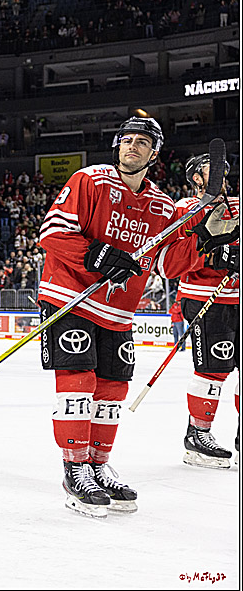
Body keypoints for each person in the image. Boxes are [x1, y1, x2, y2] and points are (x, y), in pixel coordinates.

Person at [35, 115, 214, 518]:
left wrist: (205, 238)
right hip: (71, 298)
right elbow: (52, 231)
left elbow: (169, 264)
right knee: (78, 384)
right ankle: (74, 468)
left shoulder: (163, 205)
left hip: (118, 311)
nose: (131, 146)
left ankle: (98, 464)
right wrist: (95, 255)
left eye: (142, 142)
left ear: (154, 153)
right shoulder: (90, 179)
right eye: (126, 140)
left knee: (112, 391)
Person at [174, 152, 240, 468]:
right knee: (214, 370)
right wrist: (219, 258)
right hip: (207, 299)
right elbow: (177, 255)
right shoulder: (186, 209)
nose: (218, 175)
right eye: (209, 170)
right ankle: (197, 436)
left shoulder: (239, 204)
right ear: (195, 178)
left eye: (222, 171)